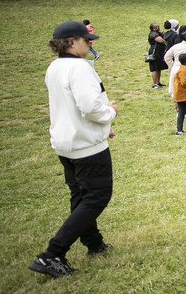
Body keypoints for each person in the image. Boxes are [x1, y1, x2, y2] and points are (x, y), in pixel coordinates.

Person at [30, 21, 118, 278]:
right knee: (96, 197)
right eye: (86, 39)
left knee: (80, 195)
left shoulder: (55, 67)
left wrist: (102, 126)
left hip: (66, 142)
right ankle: (52, 253)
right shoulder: (78, 68)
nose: (91, 43)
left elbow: (70, 106)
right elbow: (90, 107)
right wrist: (110, 113)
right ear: (70, 41)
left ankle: (94, 243)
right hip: (86, 146)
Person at [147, 22, 167, 89]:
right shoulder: (153, 34)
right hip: (154, 52)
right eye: (157, 27)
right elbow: (160, 41)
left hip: (159, 52)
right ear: (154, 28)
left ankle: (158, 82)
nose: (159, 27)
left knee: (159, 67)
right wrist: (164, 38)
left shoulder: (157, 33)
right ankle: (154, 84)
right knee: (154, 68)